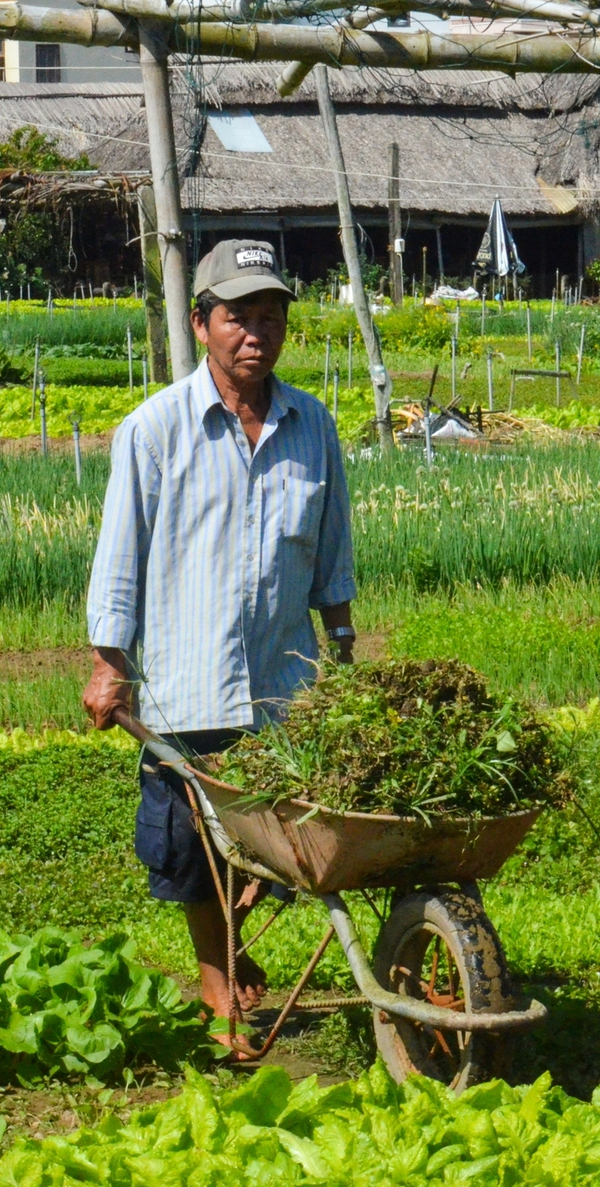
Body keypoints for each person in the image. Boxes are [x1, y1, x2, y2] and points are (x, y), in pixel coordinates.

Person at [82, 239, 357, 1022]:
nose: (256, 333)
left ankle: (230, 951)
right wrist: (111, 662)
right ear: (202, 323)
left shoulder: (314, 427)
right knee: (191, 854)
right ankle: (219, 984)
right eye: (238, 316)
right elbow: (119, 557)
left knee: (282, 847)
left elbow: (331, 557)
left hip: (284, 690)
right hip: (186, 686)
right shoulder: (154, 429)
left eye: (270, 316)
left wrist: (341, 651)